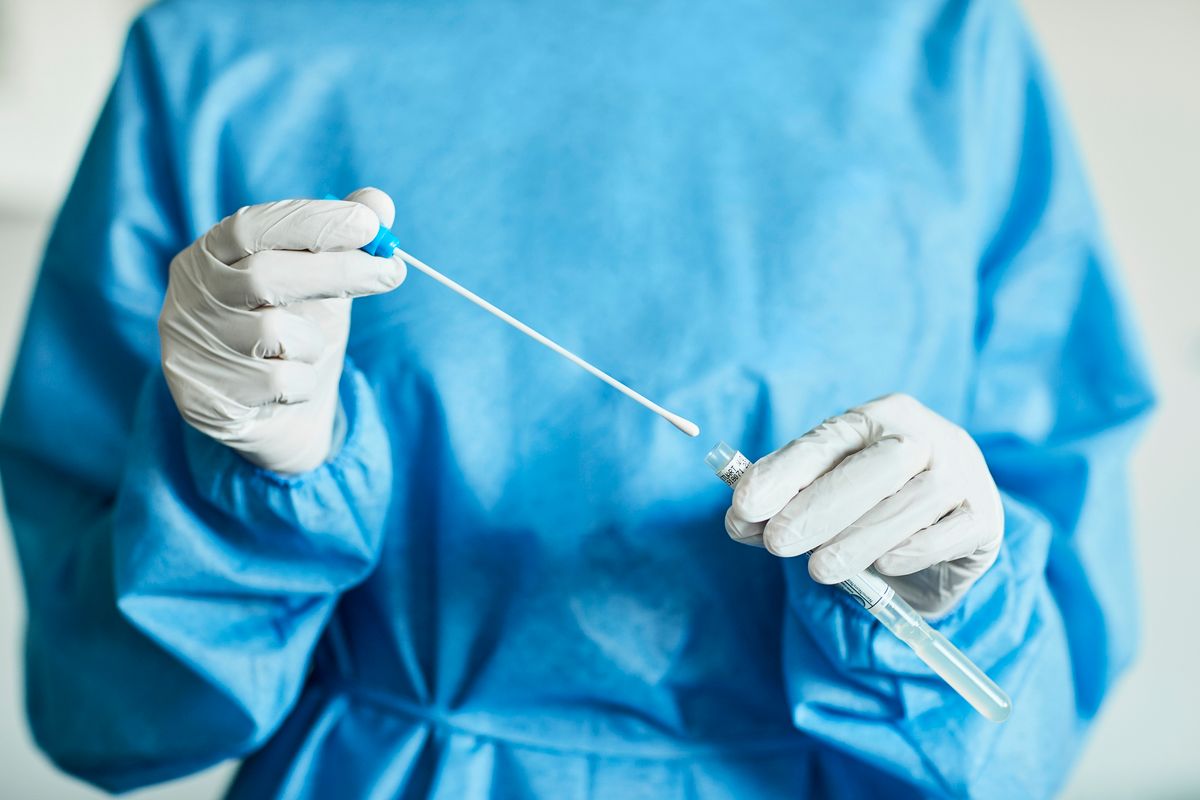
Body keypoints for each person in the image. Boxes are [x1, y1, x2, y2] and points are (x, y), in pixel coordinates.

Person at [0, 0, 1154, 797]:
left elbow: (1023, 727)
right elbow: (109, 711)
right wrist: (251, 479)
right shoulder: (221, 50)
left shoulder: (943, 47)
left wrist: (942, 597)